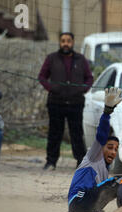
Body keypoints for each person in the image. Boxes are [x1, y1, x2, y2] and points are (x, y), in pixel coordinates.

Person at [66, 88, 122, 212]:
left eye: (116, 149)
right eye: (109, 147)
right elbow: (101, 134)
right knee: (119, 182)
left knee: (113, 185)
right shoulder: (93, 156)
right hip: (78, 201)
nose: (113, 151)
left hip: (82, 208)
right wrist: (107, 111)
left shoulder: (104, 169)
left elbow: (100, 193)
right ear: (100, 147)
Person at [38, 32, 94, 170]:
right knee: (54, 133)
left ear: (73, 42)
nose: (65, 43)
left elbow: (89, 78)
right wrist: (51, 88)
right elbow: (42, 76)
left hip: (76, 103)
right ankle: (51, 162)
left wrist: (83, 89)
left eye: (68, 41)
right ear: (59, 42)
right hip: (56, 102)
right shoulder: (51, 58)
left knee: (76, 133)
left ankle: (81, 161)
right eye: (63, 41)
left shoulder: (81, 60)